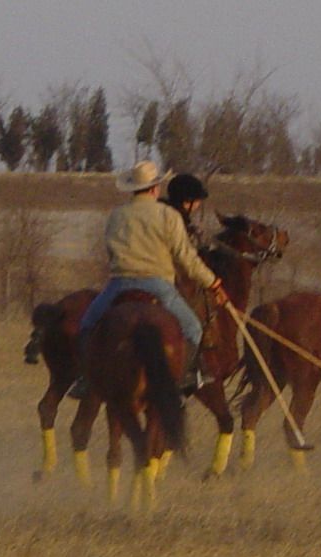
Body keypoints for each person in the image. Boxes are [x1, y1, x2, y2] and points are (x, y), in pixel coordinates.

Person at [69, 161, 228, 398]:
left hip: (118, 284)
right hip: (158, 285)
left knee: (87, 325)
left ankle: (85, 377)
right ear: (155, 188)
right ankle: (185, 376)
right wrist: (213, 283)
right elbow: (186, 257)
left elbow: (110, 251)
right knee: (193, 328)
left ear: (133, 188)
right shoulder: (168, 215)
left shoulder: (116, 215)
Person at [163, 173, 210, 248]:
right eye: (197, 200)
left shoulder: (162, 212)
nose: (199, 203)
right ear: (188, 201)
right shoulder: (176, 221)